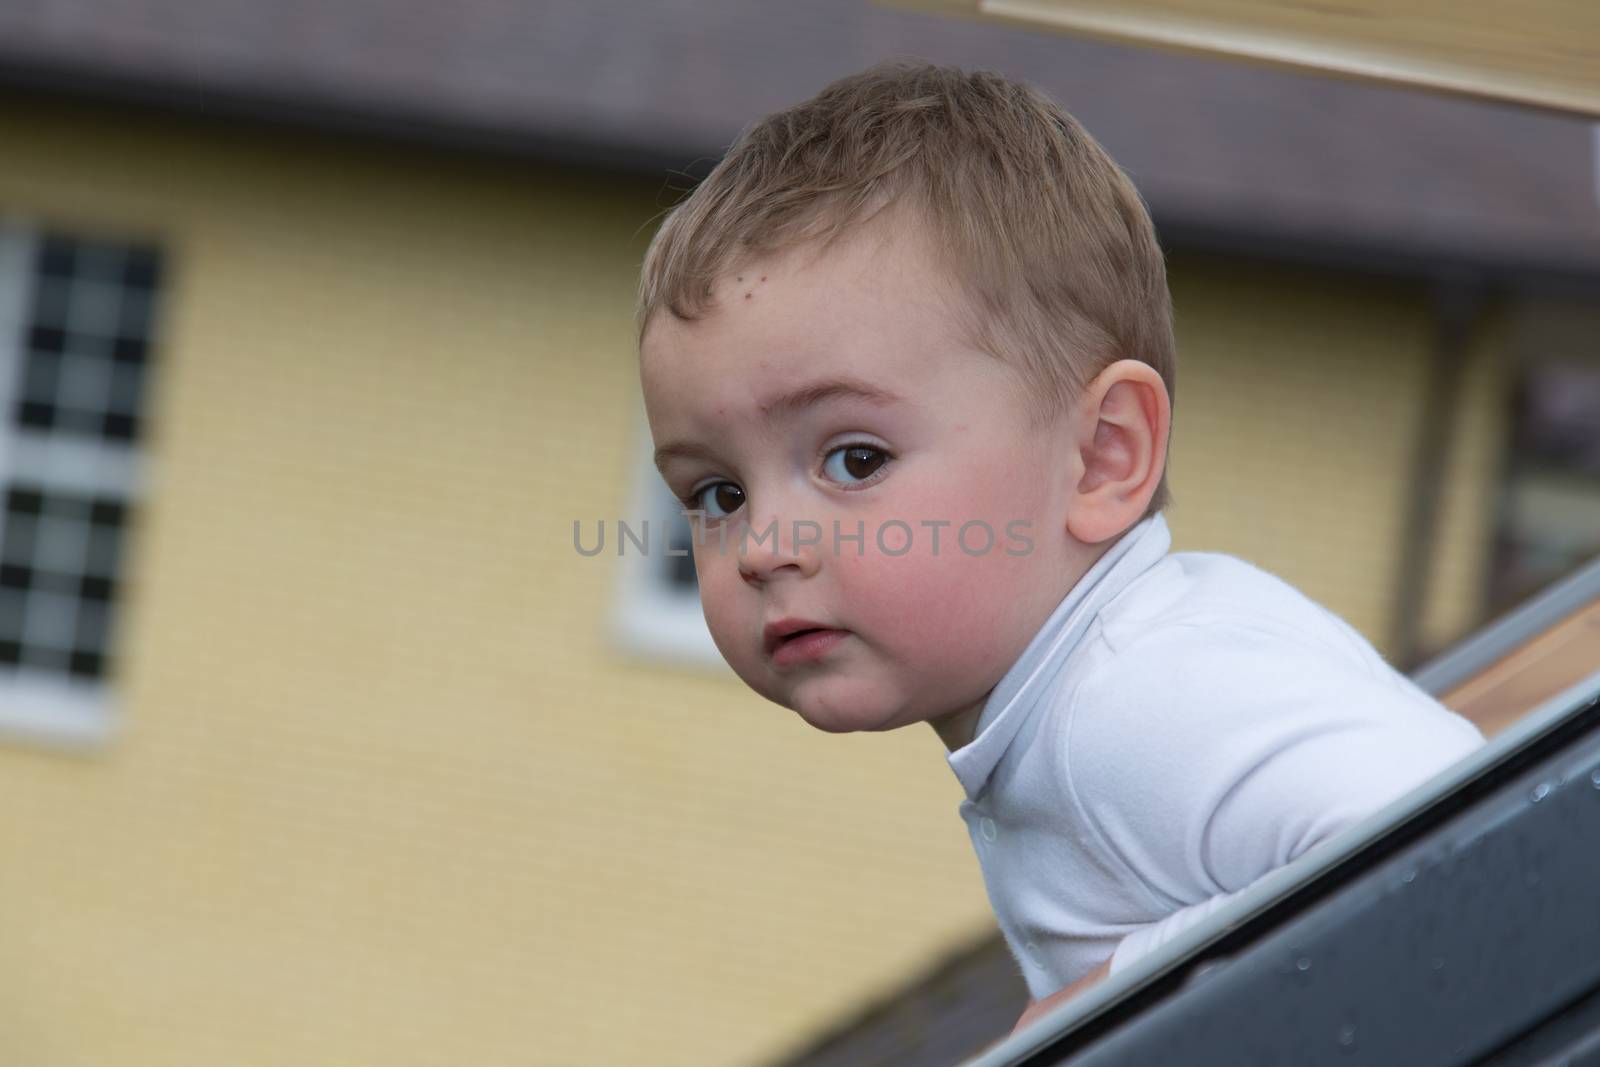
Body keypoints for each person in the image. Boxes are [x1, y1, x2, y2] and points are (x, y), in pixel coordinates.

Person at [634, 59, 1484, 1028]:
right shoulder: (1091, 694)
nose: (761, 546)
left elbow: (1466, 843)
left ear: (1099, 456)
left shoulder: (1139, 701)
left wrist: (1107, 1002)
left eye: (855, 457)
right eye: (717, 491)